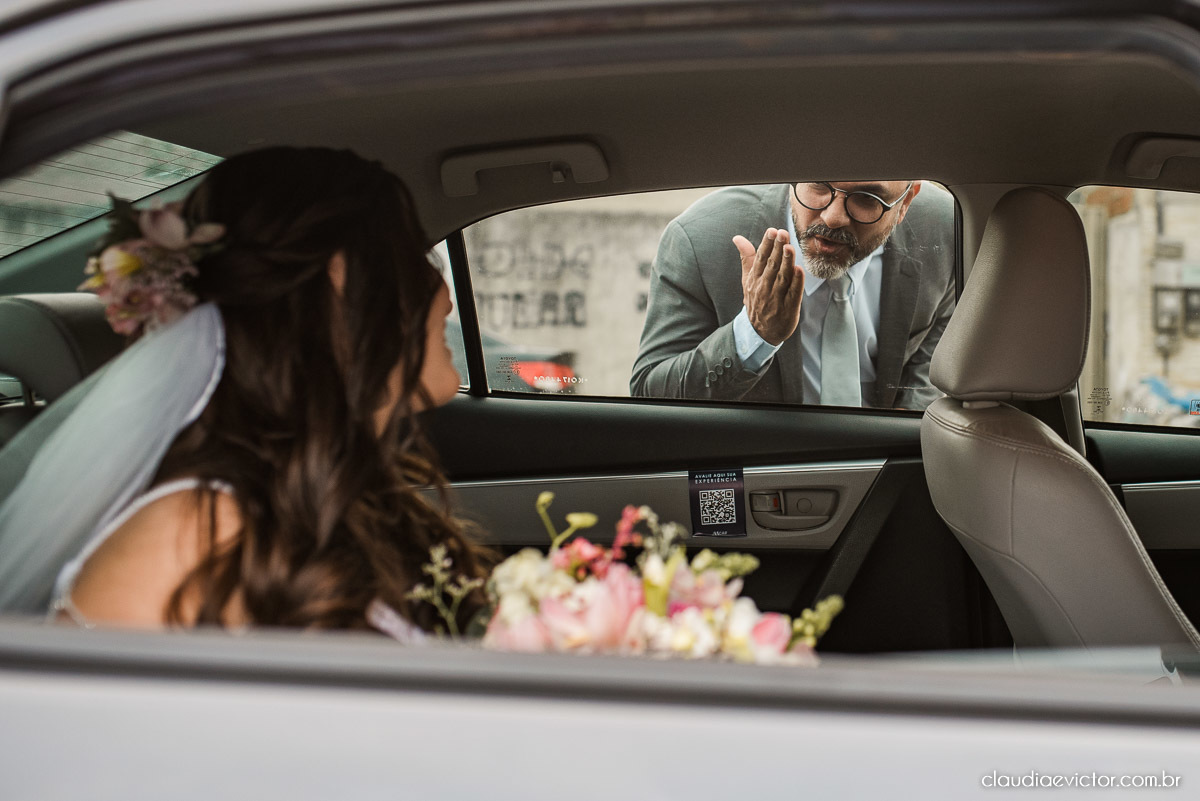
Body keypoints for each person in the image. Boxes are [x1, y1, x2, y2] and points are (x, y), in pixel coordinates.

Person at [0, 147, 490, 633]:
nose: (444, 295)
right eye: (415, 257)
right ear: (339, 277)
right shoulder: (191, 537)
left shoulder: (354, 495)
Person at [630, 181, 956, 410]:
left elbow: (940, 333)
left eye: (867, 198)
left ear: (905, 202)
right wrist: (753, 334)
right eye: (819, 185)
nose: (833, 217)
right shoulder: (700, 238)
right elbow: (650, 392)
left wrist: (911, 417)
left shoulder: (946, 227)